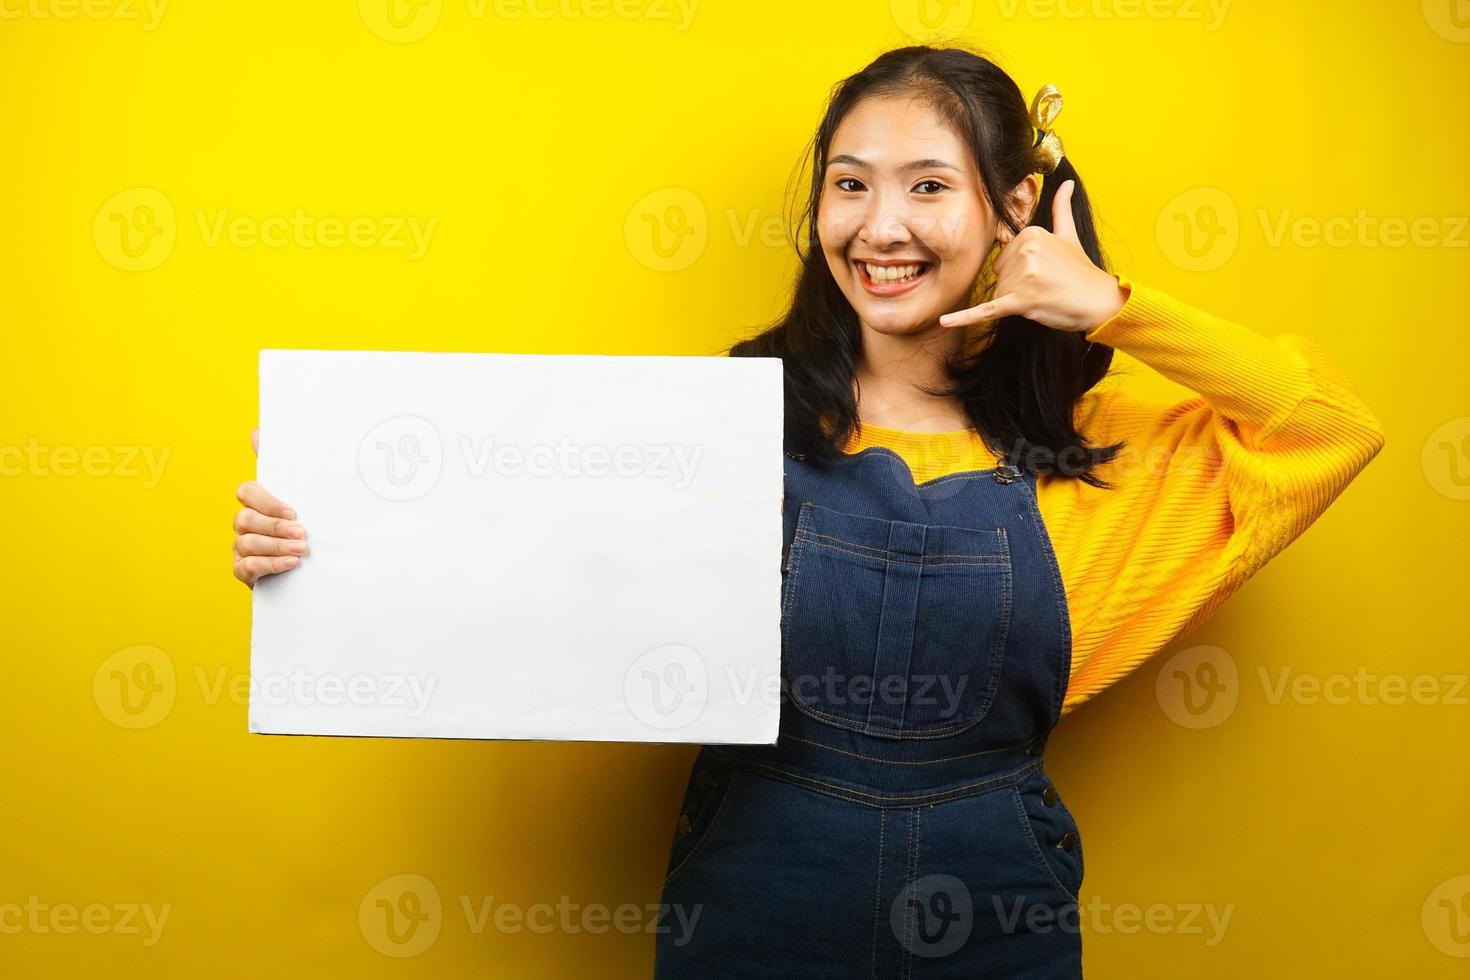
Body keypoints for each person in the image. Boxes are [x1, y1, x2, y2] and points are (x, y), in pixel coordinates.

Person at [232, 44, 1385, 977]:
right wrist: (321, 549)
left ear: (1012, 207)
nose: (879, 227)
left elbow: (1333, 425)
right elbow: (519, 576)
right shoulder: (727, 418)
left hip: (999, 914)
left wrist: (1115, 308)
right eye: (850, 183)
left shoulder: (1104, 435)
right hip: (752, 901)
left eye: (928, 185)